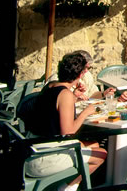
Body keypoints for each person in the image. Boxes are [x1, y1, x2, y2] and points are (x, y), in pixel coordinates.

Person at [26, 53, 107, 191]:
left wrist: (74, 96)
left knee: (93, 144)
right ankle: (67, 187)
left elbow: (53, 110)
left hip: (31, 150)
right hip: (45, 157)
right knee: (102, 154)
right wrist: (85, 113)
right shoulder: (65, 95)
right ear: (81, 75)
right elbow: (68, 132)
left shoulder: (50, 87)